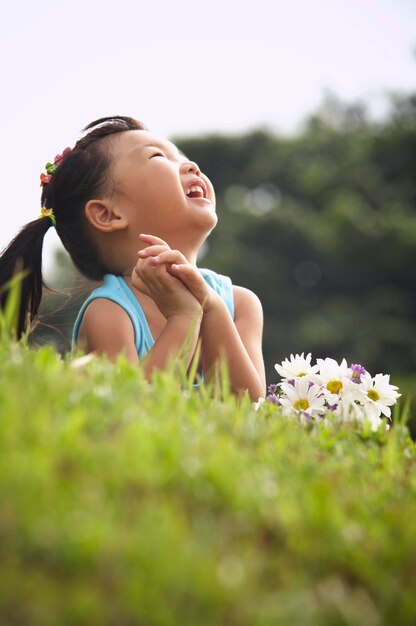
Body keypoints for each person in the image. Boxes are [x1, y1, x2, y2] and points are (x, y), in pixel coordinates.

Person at [0, 116, 265, 400]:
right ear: (108, 214)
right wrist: (184, 317)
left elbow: (249, 403)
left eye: (182, 155)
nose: (191, 166)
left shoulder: (240, 304)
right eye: (158, 156)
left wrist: (210, 307)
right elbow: (131, 404)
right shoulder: (111, 312)